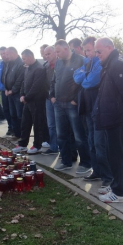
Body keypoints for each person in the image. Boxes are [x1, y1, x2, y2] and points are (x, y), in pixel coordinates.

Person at [93, 38, 123, 203]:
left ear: (109, 48)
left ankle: (119, 193)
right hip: (110, 116)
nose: (97, 55)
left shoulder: (117, 64)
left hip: (117, 117)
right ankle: (115, 185)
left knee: (117, 155)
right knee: (112, 154)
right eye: (96, 52)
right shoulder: (109, 63)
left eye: (99, 51)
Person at [74, 36, 113, 188]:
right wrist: (85, 76)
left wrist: (85, 77)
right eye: (86, 51)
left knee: (100, 143)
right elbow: (76, 77)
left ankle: (108, 177)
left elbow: (91, 81)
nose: (88, 54)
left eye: (90, 50)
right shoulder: (88, 62)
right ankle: (96, 171)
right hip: (87, 108)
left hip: (98, 110)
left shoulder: (100, 62)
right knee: (91, 142)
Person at [50, 40, 91, 174]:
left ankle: (85, 163)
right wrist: (52, 95)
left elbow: (85, 82)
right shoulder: (58, 63)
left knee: (79, 135)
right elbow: (54, 80)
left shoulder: (81, 60)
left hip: (72, 104)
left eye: (58, 51)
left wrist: (76, 99)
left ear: (66, 49)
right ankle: (66, 161)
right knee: (61, 135)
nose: (56, 54)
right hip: (59, 103)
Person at [12, 49, 50, 154]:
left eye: (24, 58)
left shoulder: (39, 68)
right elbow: (24, 82)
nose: (23, 61)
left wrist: (26, 97)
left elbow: (36, 86)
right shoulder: (28, 68)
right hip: (27, 101)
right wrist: (22, 94)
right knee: (25, 123)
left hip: (37, 101)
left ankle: (37, 145)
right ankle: (23, 144)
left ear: (30, 57)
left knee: (38, 124)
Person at [2, 46, 25, 139]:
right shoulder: (8, 63)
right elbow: (4, 76)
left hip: (17, 94)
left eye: (7, 54)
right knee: (13, 114)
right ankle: (15, 133)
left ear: (12, 53)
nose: (6, 56)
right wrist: (6, 89)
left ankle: (22, 135)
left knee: (20, 115)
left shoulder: (20, 64)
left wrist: (13, 90)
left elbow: (20, 80)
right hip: (9, 93)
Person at [41, 45, 59, 155]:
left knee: (62, 125)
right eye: (45, 54)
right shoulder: (45, 66)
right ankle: (53, 147)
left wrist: (55, 95)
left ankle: (64, 148)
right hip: (48, 98)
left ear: (55, 53)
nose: (47, 56)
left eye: (49, 53)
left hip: (59, 98)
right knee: (51, 124)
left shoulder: (61, 64)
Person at [0, 46, 13, 136]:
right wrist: (1, 87)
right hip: (3, 90)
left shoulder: (11, 63)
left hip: (11, 91)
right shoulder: (1, 64)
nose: (3, 56)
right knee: (6, 110)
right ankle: (9, 127)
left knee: (12, 111)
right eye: (1, 54)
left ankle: (14, 128)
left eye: (4, 53)